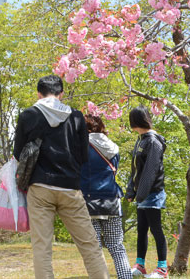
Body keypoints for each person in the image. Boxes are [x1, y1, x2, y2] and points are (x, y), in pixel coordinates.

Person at [12, 74, 109, 279]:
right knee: (89, 244)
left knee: (42, 247)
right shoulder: (76, 117)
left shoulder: (28, 115)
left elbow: (18, 152)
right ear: (61, 94)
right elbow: (83, 156)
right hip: (70, 188)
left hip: (39, 188)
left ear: (39, 93)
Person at [81, 113, 132, 279]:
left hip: (89, 203)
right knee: (117, 247)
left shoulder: (81, 146)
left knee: (94, 250)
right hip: (112, 200)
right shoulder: (114, 148)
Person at [125, 107, 168, 279]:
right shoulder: (140, 140)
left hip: (153, 193)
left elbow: (151, 171)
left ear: (135, 121)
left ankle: (162, 269)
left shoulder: (153, 141)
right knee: (142, 230)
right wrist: (131, 191)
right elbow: (135, 169)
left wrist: (141, 194)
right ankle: (140, 265)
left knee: (156, 230)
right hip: (142, 194)